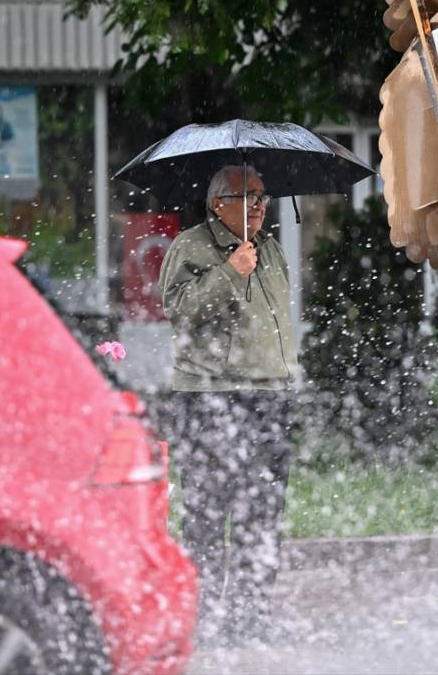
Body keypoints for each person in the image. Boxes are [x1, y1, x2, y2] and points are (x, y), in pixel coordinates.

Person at [158, 165, 297, 646]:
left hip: (269, 399)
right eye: (248, 196)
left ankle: (250, 615)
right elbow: (177, 310)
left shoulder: (272, 249)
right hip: (211, 397)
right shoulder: (192, 247)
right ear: (219, 203)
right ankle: (201, 615)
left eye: (263, 196)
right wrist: (227, 273)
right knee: (207, 514)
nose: (260, 205)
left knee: (263, 515)